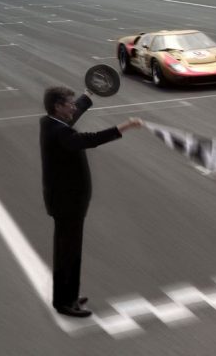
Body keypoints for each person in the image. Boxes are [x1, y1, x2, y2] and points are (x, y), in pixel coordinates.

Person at [40, 86, 142, 318]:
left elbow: (72, 116)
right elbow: (91, 139)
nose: (73, 107)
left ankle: (69, 296)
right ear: (57, 106)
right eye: (69, 103)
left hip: (67, 201)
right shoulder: (60, 133)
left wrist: (87, 96)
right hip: (67, 203)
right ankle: (64, 303)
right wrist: (125, 126)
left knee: (69, 252)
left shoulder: (51, 122)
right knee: (68, 253)